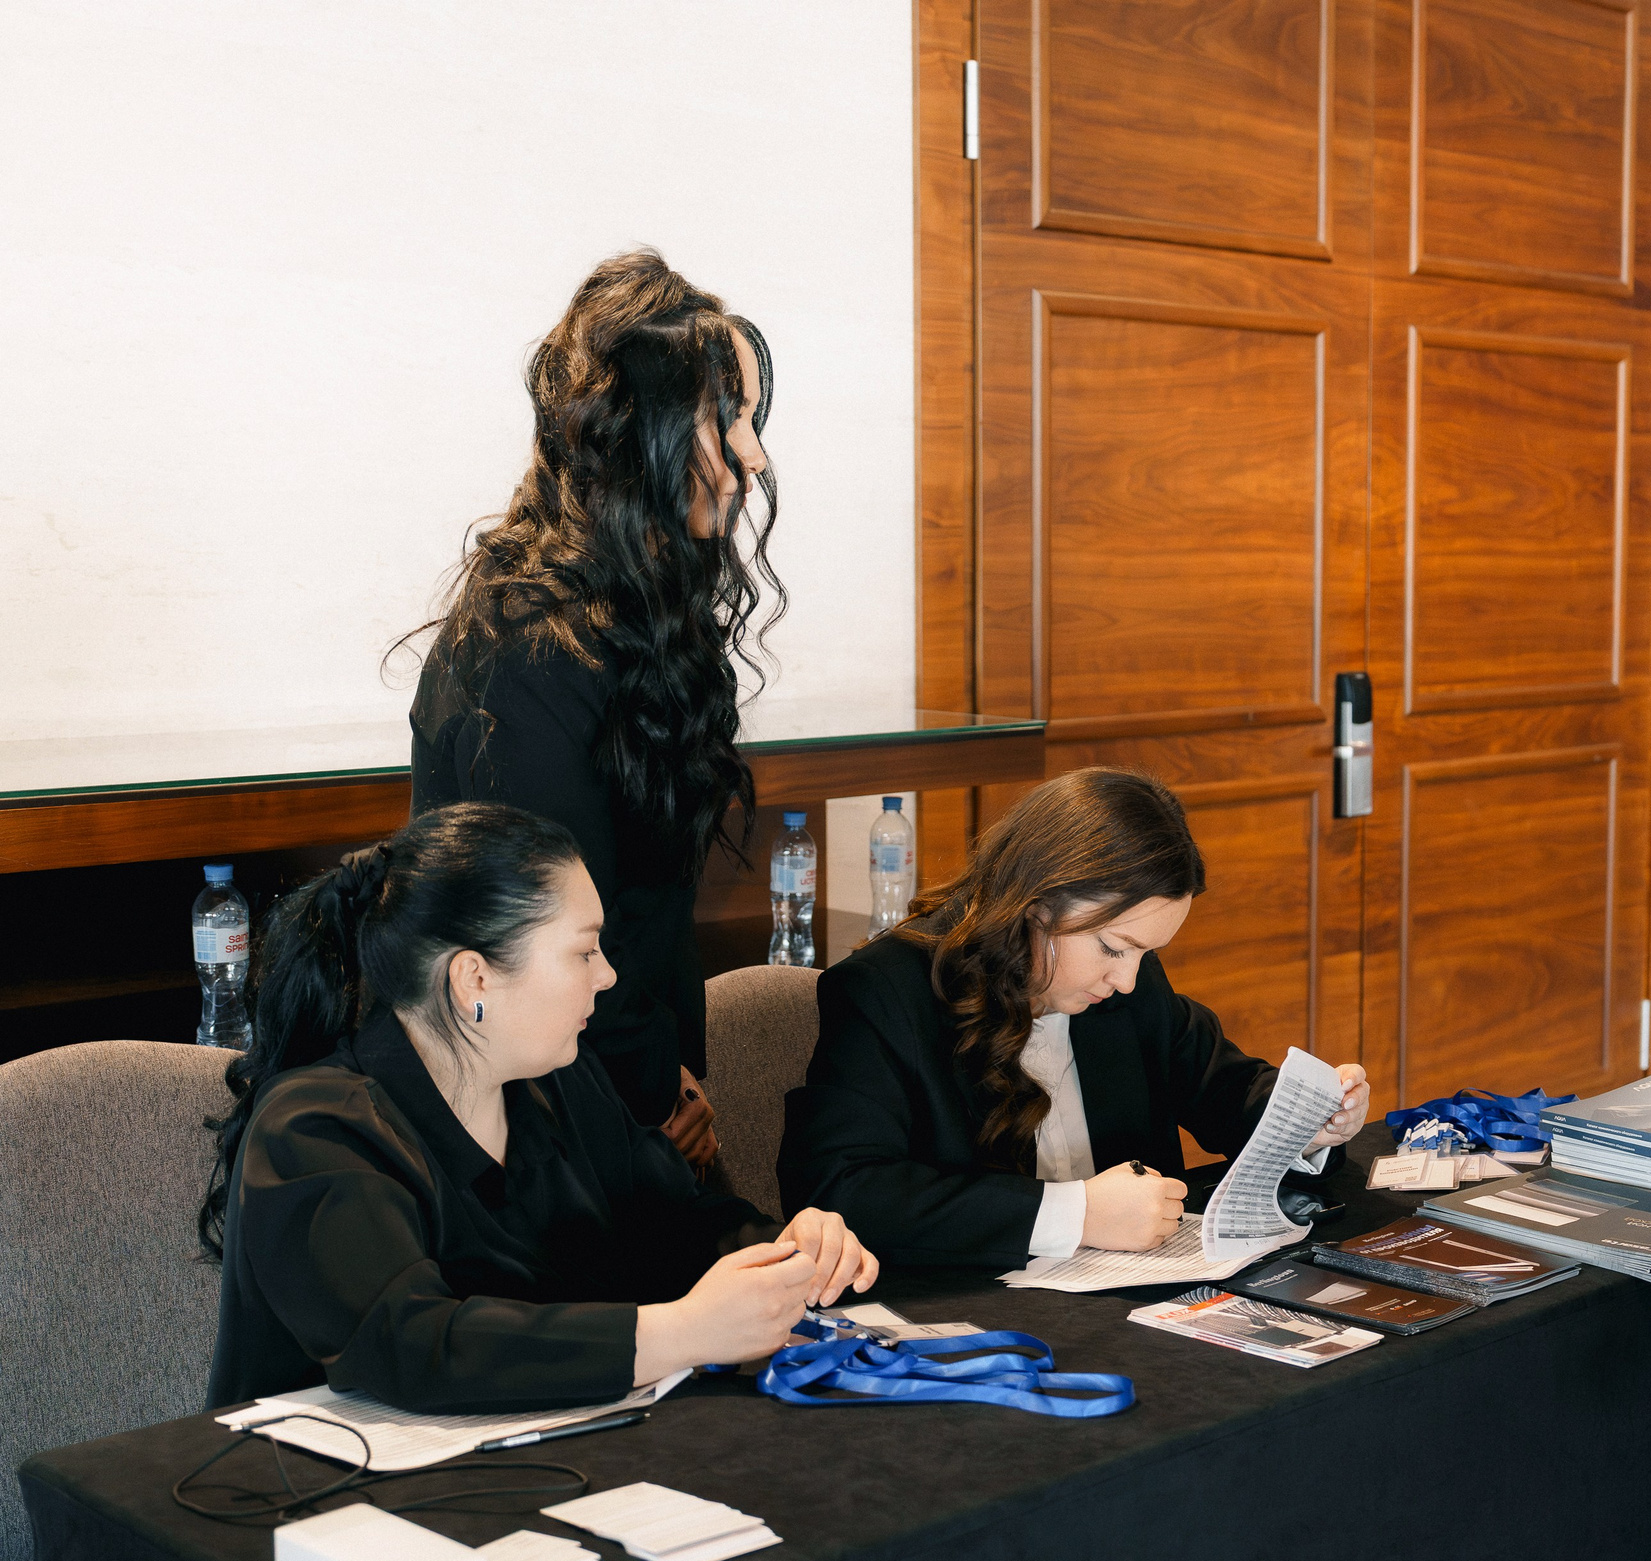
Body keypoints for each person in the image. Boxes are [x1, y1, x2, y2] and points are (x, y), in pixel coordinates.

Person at [202, 804, 875, 1413]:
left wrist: (787, 1253)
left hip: (536, 1461)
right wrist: (679, 1331)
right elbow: (415, 1343)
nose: (607, 975)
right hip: (315, 1512)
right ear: (475, 978)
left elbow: (676, 1223)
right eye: (583, 951)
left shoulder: (560, 1079)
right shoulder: (314, 1126)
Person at [406, 248, 782, 1173]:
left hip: (632, 1089)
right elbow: (550, 933)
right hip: (544, 1116)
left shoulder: (642, 616)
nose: (754, 455)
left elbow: (651, 917)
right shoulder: (529, 649)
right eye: (724, 417)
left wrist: (675, 1084)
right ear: (634, 430)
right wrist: (657, 1097)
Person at [778, 768, 1371, 1269]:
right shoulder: (886, 991)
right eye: (1114, 948)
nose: (1128, 980)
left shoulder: (1127, 987)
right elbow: (842, 1191)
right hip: (974, 1325)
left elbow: (1226, 1088)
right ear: (1035, 905)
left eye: (1146, 953)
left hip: (1133, 1306)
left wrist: (1310, 1118)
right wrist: (1076, 1213)